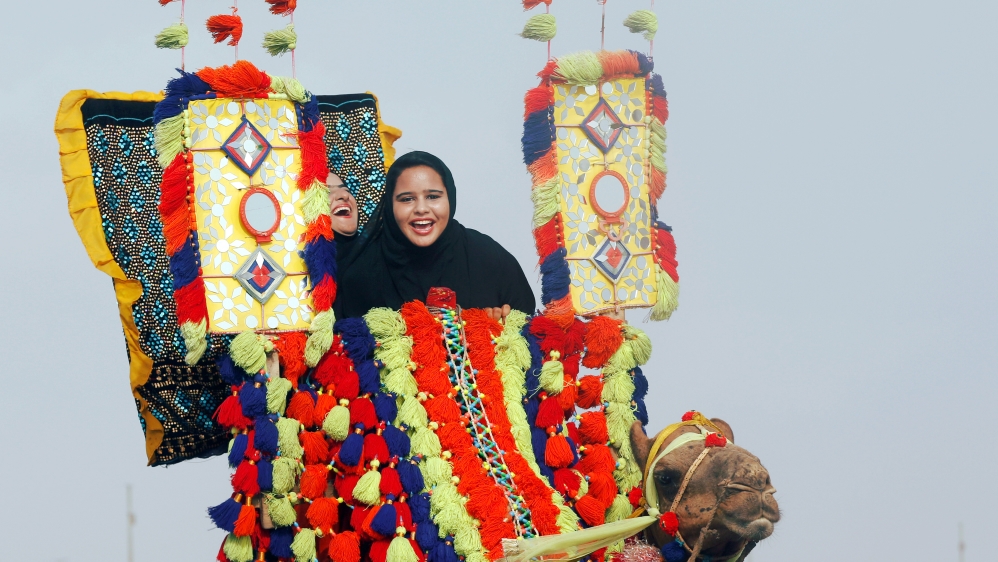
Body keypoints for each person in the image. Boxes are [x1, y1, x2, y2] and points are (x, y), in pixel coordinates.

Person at [334, 151, 536, 321]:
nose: (421, 208)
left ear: (450, 198)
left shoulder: (489, 258)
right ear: (389, 206)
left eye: (433, 196)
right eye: (407, 199)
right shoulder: (362, 276)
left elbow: (527, 339)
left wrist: (496, 329)